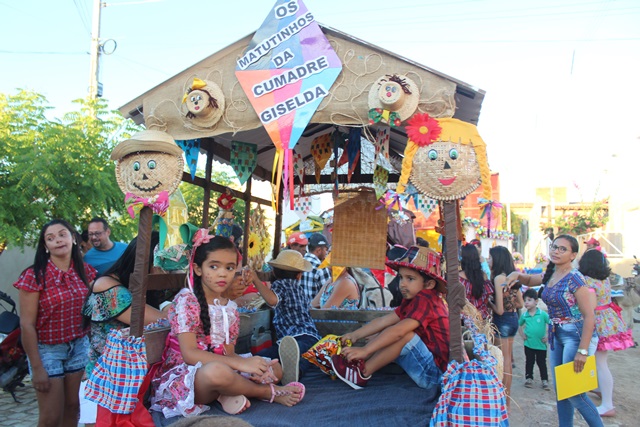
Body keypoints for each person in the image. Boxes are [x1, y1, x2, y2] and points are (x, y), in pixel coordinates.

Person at [151, 234, 304, 418]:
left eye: (229, 267)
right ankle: (265, 392)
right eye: (214, 266)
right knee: (217, 372)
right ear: (198, 269)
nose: (222, 273)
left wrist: (254, 367)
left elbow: (228, 353)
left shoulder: (230, 307)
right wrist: (243, 364)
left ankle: (231, 391)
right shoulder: (186, 301)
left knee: (273, 367)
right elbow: (190, 354)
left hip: (223, 367)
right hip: (190, 375)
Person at [506, 235, 602, 427]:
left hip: (575, 335)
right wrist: (515, 275)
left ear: (573, 255)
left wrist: (583, 351)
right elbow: (531, 279)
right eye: (554, 247)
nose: (556, 251)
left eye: (562, 249)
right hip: (556, 334)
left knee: (574, 393)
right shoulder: (551, 273)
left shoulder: (575, 278)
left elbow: (589, 316)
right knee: (562, 391)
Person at [331, 246, 449, 401]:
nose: (402, 284)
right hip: (432, 369)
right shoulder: (413, 300)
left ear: (429, 284)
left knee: (404, 335)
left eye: (410, 279)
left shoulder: (426, 299)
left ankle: (362, 373)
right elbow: (384, 320)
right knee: (386, 333)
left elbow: (399, 331)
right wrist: (355, 335)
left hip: (438, 377)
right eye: (401, 277)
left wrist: (366, 350)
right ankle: (357, 365)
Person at [13, 219, 97, 427]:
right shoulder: (34, 276)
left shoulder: (86, 272)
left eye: (62, 234)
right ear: (45, 246)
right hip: (47, 350)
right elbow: (27, 325)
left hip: (79, 346)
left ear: (74, 238)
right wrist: (37, 367)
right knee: (51, 417)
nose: (58, 240)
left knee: (73, 409)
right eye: (50, 238)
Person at [80, 232, 168, 425]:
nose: (167, 271)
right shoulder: (106, 286)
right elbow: (165, 319)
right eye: (164, 263)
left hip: (134, 386)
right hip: (105, 388)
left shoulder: (147, 287)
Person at [244, 250, 321, 385]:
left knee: (264, 355)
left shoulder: (281, 284)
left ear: (274, 272)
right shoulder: (299, 288)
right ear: (299, 275)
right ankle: (295, 371)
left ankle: (265, 366)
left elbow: (273, 300)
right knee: (306, 357)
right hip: (310, 337)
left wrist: (256, 280)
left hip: (291, 339)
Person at [579, 249, 634, 417]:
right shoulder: (604, 280)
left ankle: (607, 404)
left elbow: (591, 307)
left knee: (600, 363)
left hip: (597, 323)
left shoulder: (588, 282)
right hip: (608, 320)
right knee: (599, 361)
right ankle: (598, 389)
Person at [487, 245, 523, 410]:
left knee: (502, 362)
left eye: (490, 257)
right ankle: (507, 401)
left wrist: (489, 303)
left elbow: (499, 310)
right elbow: (520, 303)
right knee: (508, 360)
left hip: (502, 321)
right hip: (513, 318)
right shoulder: (512, 277)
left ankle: (503, 400)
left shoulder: (498, 279)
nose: (488, 260)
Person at [518, 288, 550, 390]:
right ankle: (529, 378)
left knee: (541, 363)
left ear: (536, 301)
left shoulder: (543, 314)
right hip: (529, 344)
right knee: (529, 361)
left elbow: (551, 324)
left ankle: (544, 380)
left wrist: (548, 336)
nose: (526, 303)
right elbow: (519, 325)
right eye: (525, 300)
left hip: (541, 344)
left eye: (529, 300)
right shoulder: (524, 315)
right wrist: (522, 335)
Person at [459, 243, 494, 319]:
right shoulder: (483, 276)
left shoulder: (458, 278)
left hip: (464, 320)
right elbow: (487, 298)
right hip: (482, 319)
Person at [300, 233, 332, 301]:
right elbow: (327, 295)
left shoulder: (298, 263)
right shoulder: (320, 268)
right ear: (319, 250)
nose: (326, 253)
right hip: (314, 310)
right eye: (326, 249)